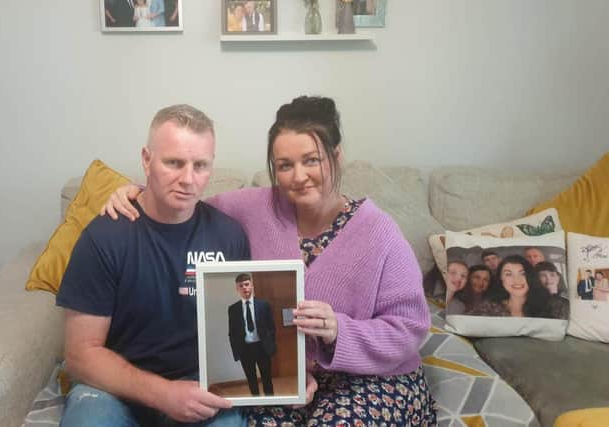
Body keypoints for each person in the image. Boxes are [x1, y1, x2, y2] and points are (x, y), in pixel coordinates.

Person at [102, 95, 437, 425]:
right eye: (284, 166)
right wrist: (135, 193)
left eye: (311, 160)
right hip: (283, 382)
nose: (298, 176)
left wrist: (339, 330)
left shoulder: (379, 231)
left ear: (337, 156)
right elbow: (183, 205)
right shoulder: (250, 208)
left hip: (367, 378)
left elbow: (410, 328)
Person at [57, 105, 251, 426]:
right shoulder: (105, 236)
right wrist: (164, 394)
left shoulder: (228, 235)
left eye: (200, 165)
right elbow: (79, 355)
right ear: (146, 160)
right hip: (113, 388)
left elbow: (241, 332)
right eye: (173, 163)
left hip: (199, 385)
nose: (188, 179)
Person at [470, 255, 567, 319]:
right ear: (501, 278)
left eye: (523, 273)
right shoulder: (489, 308)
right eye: (508, 274)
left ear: (530, 276)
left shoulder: (556, 306)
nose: (517, 280)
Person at [228, 273, 276, 396]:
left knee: (267, 378)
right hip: (245, 350)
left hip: (262, 348)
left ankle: (271, 403)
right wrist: (236, 352)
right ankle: (256, 404)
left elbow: (271, 327)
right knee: (251, 379)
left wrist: (271, 347)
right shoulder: (233, 309)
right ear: (237, 289)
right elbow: (232, 333)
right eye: (241, 286)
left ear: (252, 285)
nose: (244, 288)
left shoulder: (264, 305)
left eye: (247, 284)